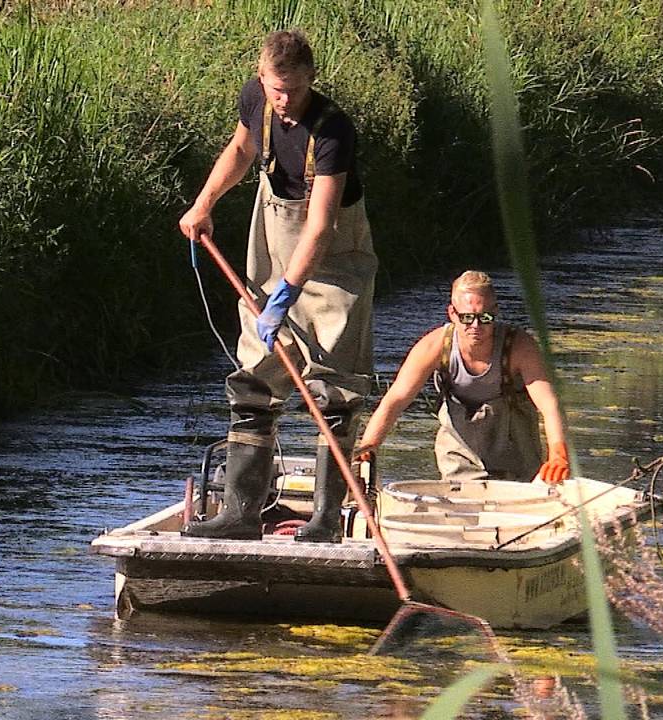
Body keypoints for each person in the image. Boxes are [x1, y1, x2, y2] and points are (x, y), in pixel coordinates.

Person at [177, 29, 377, 542]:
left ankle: (325, 520)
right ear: (261, 78)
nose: (284, 100)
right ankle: (240, 514)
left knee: (333, 387)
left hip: (334, 262)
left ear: (311, 77)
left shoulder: (333, 130)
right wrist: (204, 204)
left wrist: (285, 296)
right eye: (275, 89)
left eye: (294, 90)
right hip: (271, 240)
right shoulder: (256, 99)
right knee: (256, 375)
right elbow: (241, 149)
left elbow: (322, 225)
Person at [355, 271, 572, 484]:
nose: (476, 326)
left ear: (496, 312)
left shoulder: (519, 346)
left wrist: (558, 453)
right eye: (467, 318)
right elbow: (395, 401)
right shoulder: (434, 346)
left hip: (518, 463)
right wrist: (368, 449)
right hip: (459, 463)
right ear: (452, 313)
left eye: (485, 318)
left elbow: (549, 404)